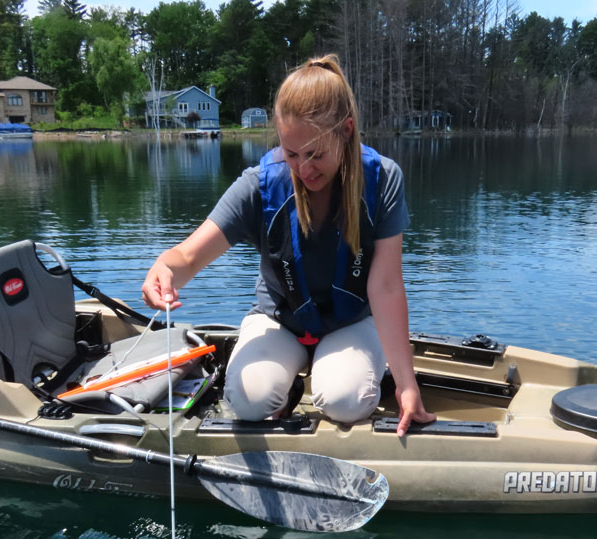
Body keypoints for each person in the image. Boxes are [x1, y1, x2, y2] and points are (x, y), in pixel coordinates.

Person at [141, 55, 435, 437]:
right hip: (279, 319)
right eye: (291, 154)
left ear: (346, 131)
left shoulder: (383, 180)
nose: (303, 168)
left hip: (351, 320)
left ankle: (332, 372)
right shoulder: (260, 184)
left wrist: (406, 383)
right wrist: (163, 270)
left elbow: (386, 286)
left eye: (315, 154)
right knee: (247, 402)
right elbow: (188, 255)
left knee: (347, 402)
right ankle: (288, 384)